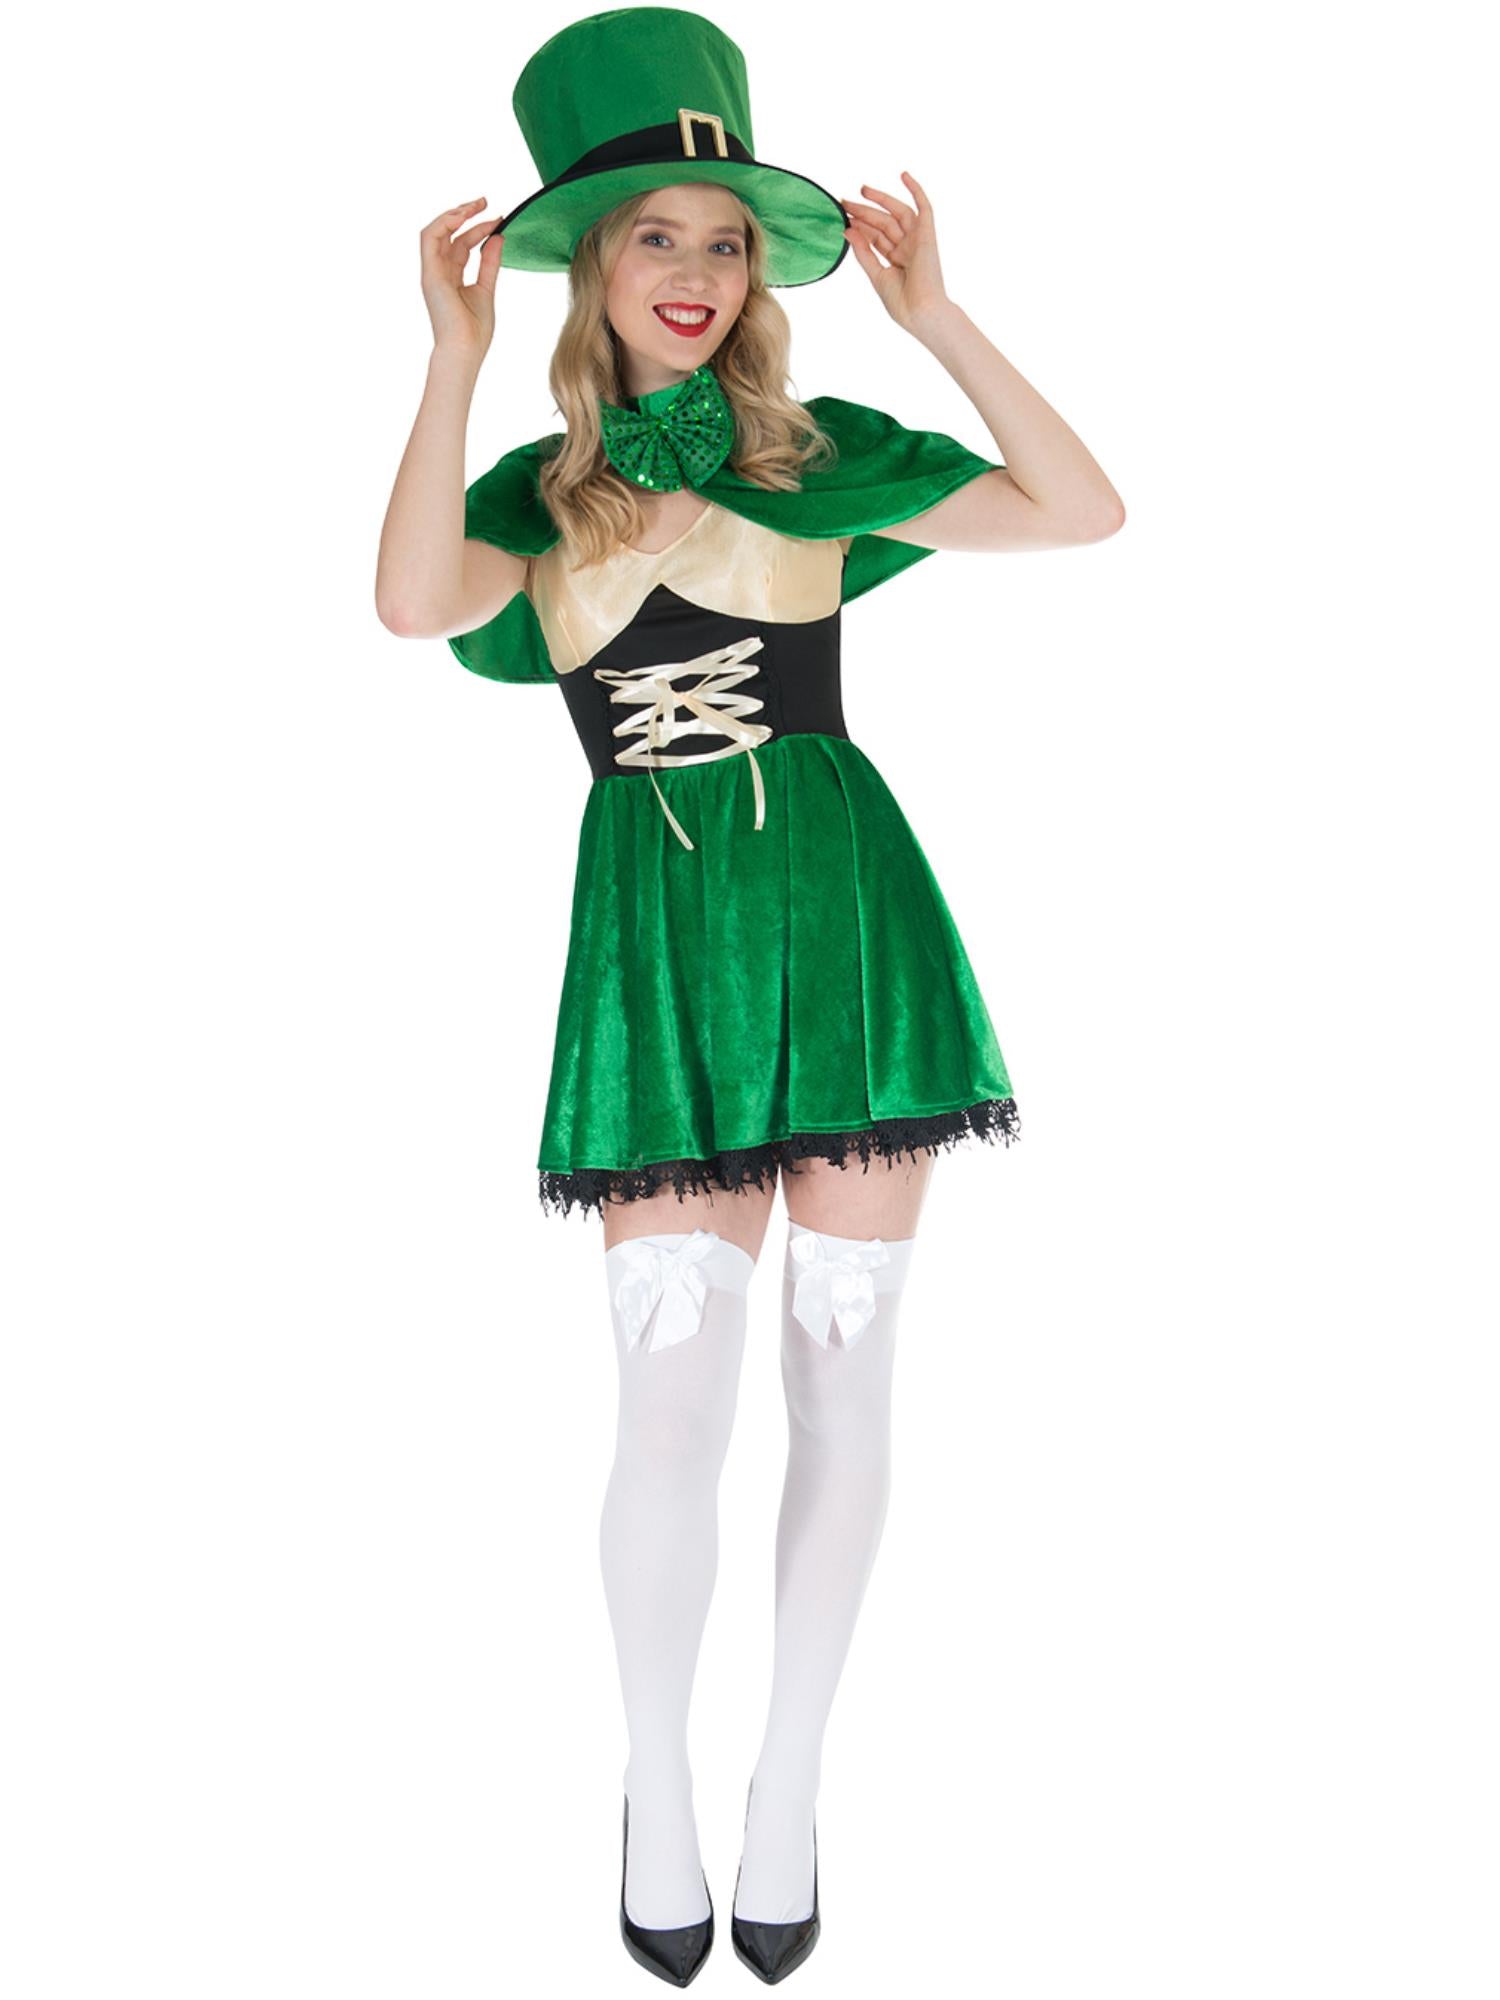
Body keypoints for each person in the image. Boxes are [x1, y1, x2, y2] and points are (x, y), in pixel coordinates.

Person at [376, 9, 1123, 1984]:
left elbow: (1083, 511)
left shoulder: (822, 459)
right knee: (670, 1397)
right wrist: (449, 361)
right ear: (590, 264)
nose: (697, 273)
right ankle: (658, 1784)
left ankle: (788, 1781)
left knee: (843, 1374)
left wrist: (940, 320)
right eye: (656, 237)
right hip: (659, 951)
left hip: (847, 926)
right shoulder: (534, 497)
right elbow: (409, 605)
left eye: (724, 240)